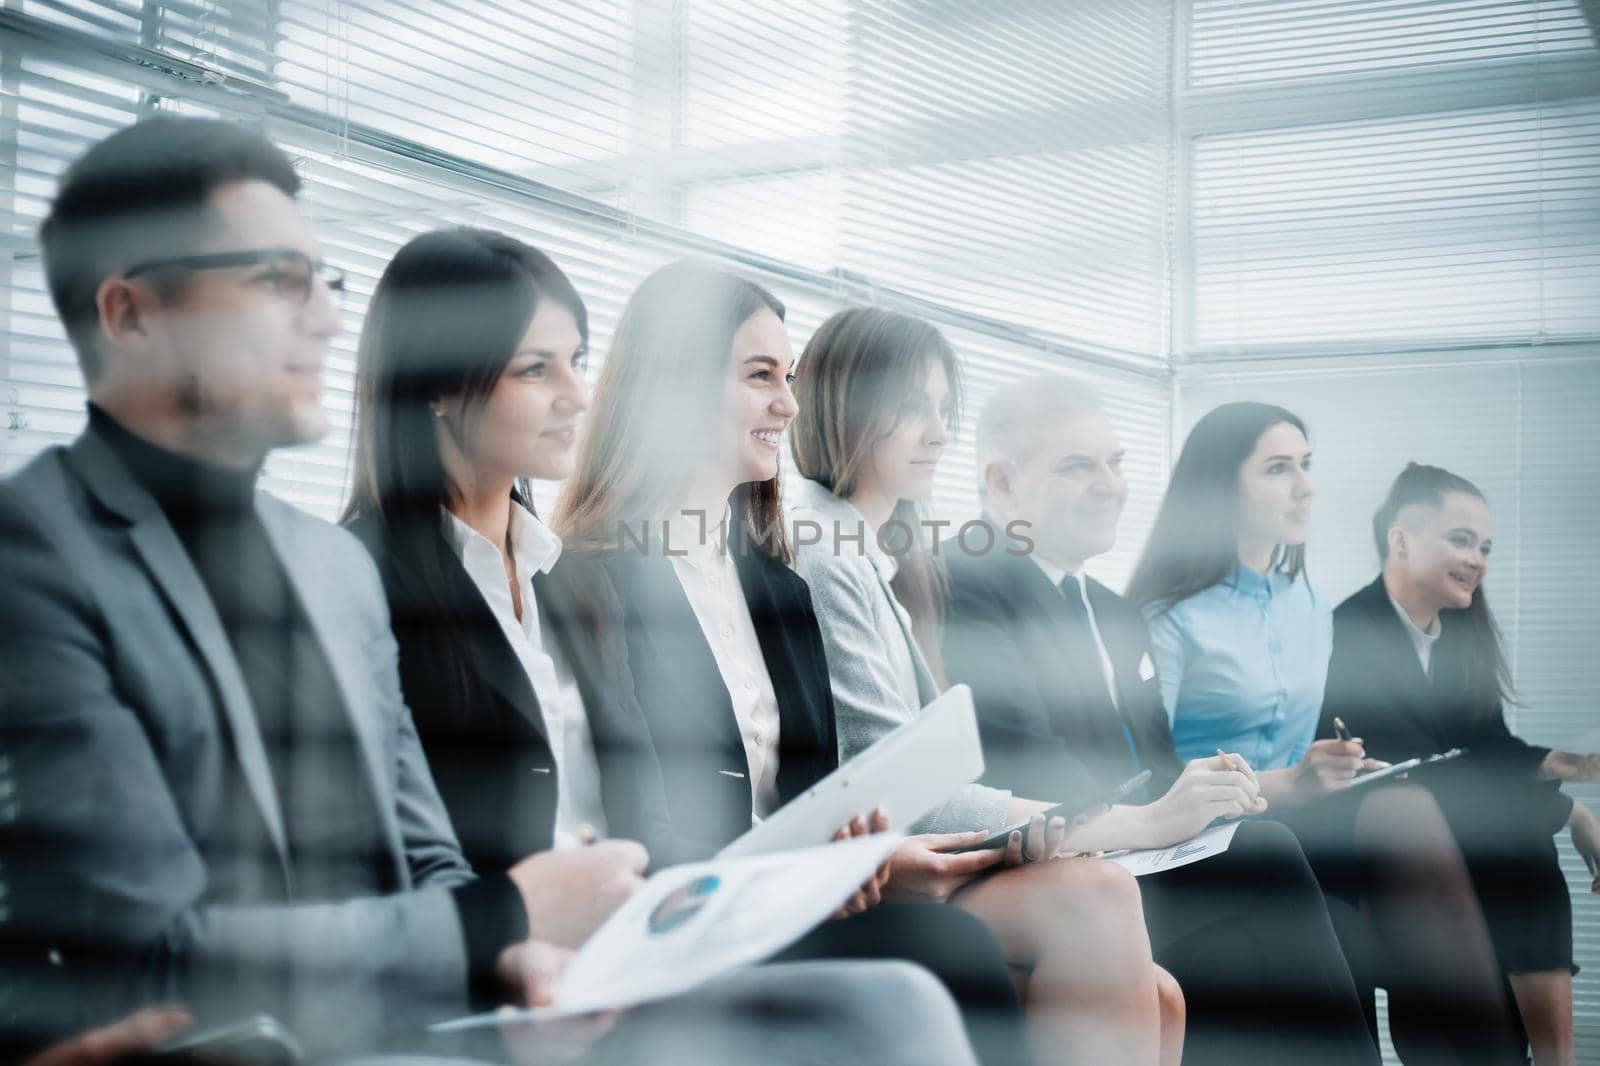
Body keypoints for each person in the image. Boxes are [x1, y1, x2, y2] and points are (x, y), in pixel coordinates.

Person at [0, 119, 981, 1066]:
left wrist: (522, 958)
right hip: (343, 1011)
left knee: (897, 1002)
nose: (324, 316)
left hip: (549, 965)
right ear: (129, 314)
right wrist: (508, 927)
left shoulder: (350, 568)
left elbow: (431, 853)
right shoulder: (51, 552)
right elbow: (152, 955)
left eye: (321, 281)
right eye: (274, 281)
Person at [556, 262, 1033, 1066]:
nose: (787, 405)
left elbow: (812, 794)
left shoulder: (774, 583)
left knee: (951, 945)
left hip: (789, 908)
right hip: (693, 928)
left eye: (790, 378)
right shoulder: (589, 577)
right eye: (759, 376)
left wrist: (861, 856)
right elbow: (644, 826)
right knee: (951, 957)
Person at [941, 374, 1383, 1066]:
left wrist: (1209, 792)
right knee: (1266, 861)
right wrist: (1157, 820)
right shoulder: (965, 585)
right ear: (1001, 485)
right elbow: (1017, 756)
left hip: (1137, 853)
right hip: (1061, 866)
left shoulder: (1111, 611)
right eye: (1078, 466)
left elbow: (1158, 763)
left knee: (1264, 870)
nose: (1110, 484)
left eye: (1115, 463)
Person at [787, 306, 1184, 1066]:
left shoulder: (888, 558)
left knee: (1160, 991)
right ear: (843, 404)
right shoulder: (826, 545)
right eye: (912, 407)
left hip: (918, 849)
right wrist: (1103, 823)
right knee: (1101, 898)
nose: (939, 433)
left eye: (944, 409)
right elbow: (895, 782)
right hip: (872, 868)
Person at [1127, 401, 1529, 1065]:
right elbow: (1149, 771)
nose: (1305, 485)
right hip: (1206, 840)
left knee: (1408, 809)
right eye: (1279, 468)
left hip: (1301, 823)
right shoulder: (1166, 615)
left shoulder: (1308, 604)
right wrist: (1289, 782)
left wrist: (1338, 762)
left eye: (1306, 466)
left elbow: (1308, 739)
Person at [1323, 461, 1600, 1066]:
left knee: (1521, 843)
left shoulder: (1461, 632)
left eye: (1486, 546)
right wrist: (1569, 809)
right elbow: (1410, 765)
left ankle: (1555, 1058)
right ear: (1400, 539)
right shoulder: (1343, 632)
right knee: (1519, 834)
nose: (1478, 559)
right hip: (1366, 833)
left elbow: (1485, 745)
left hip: (1448, 821)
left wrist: (1572, 764)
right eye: (1461, 539)